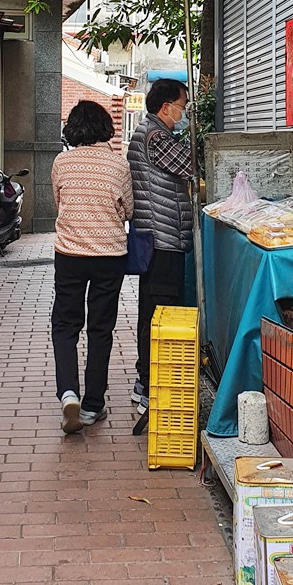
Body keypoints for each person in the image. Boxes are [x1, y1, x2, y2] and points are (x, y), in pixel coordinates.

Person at [50, 99, 134, 434]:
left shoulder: (62, 162)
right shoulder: (118, 165)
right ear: (105, 128)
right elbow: (127, 210)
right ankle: (93, 405)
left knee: (65, 325)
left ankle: (68, 391)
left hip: (69, 253)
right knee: (101, 329)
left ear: (72, 128)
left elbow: (59, 202)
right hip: (109, 256)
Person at [126, 78, 193, 412]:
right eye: (183, 106)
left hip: (158, 237)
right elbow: (192, 166)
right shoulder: (157, 137)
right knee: (159, 314)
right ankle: (149, 387)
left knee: (152, 312)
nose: (185, 113)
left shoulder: (148, 133)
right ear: (166, 107)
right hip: (163, 239)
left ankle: (145, 383)